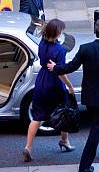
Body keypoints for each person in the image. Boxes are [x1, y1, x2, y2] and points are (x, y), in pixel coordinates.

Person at [48, 19, 99, 172]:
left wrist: (56, 68)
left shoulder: (85, 49)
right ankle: (84, 166)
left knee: (98, 123)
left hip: (89, 97)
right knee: (96, 129)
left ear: (95, 32)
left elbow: (71, 67)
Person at [23, 19, 75, 162]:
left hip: (42, 80)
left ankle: (28, 147)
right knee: (64, 112)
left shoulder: (42, 43)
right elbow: (60, 72)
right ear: (58, 33)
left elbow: (42, 61)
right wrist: (70, 86)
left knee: (37, 116)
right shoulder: (60, 50)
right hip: (55, 83)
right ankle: (64, 141)